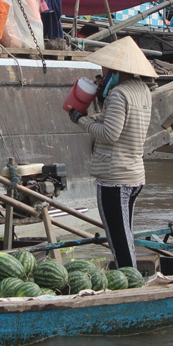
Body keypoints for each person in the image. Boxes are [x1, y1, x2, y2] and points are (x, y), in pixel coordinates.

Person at [66, 36, 156, 269]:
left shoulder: (119, 94)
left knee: (119, 238)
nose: (103, 72)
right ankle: (130, 274)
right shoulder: (142, 90)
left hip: (115, 176)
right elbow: (119, 124)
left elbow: (109, 134)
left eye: (105, 68)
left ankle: (130, 281)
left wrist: (80, 120)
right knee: (125, 232)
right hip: (134, 174)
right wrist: (101, 98)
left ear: (115, 69)